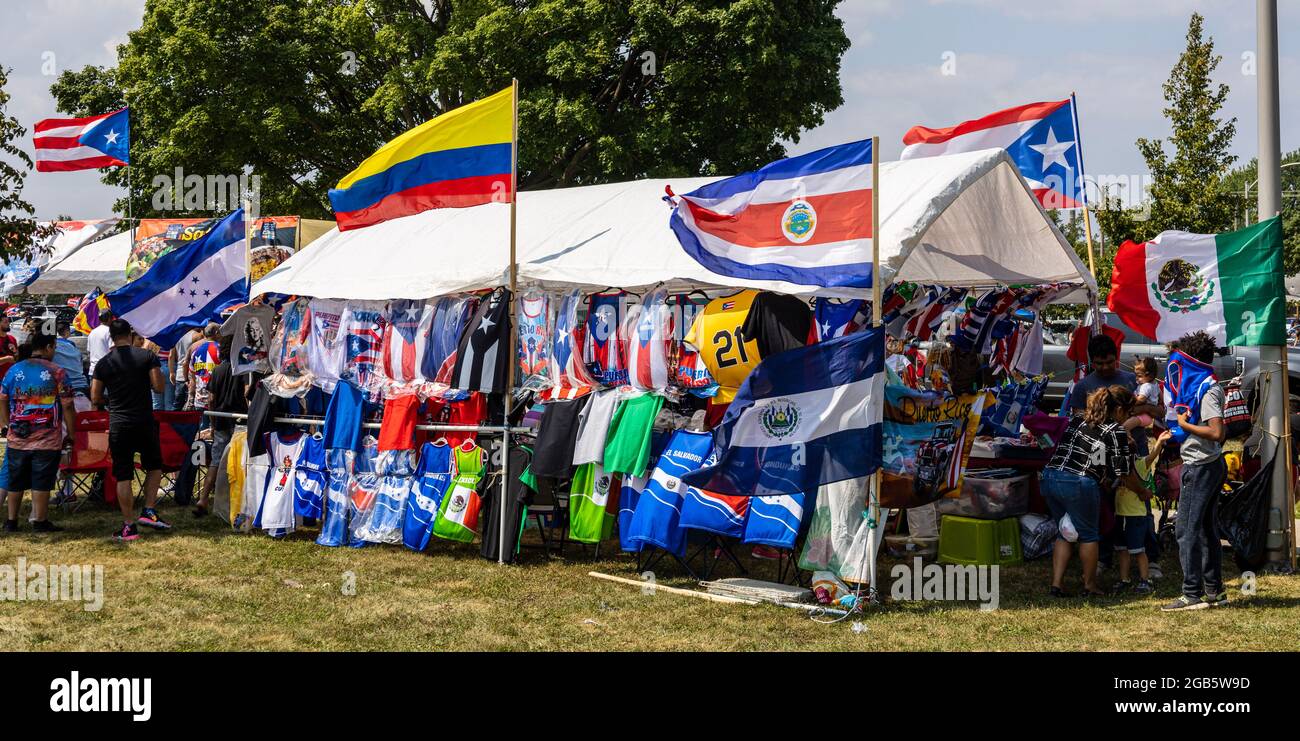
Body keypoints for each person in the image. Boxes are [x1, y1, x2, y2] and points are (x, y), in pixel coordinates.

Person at [1041, 385, 1144, 597]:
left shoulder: (1078, 420)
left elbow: (1094, 456)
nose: (1128, 418)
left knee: (1065, 532)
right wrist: (1142, 492)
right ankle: (1089, 586)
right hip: (1079, 482)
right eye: (1128, 413)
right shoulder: (1115, 430)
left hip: (1050, 477)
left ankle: (1056, 585)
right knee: (1088, 535)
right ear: (1118, 411)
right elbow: (1124, 472)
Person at [1162, 330, 1228, 612]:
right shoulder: (1201, 386)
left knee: (1185, 530)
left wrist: (1185, 425)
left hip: (1201, 467)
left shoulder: (1208, 389)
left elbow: (1216, 431)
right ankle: (1215, 590)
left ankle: (1192, 594)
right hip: (1207, 465)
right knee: (1204, 530)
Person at [90, 319, 172, 541]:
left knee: (123, 474)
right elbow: (159, 386)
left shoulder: (104, 363)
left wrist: (113, 398)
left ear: (112, 337)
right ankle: (149, 510)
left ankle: (128, 525)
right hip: (144, 420)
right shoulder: (146, 356)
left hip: (119, 422)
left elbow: (95, 397)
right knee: (154, 465)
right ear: (130, 333)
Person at [1, 333, 76, 533]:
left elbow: (2, 397)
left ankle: (11, 521)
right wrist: (72, 432)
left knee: (15, 481)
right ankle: (40, 521)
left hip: (17, 437)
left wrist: (7, 423)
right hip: (47, 438)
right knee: (41, 479)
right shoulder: (57, 372)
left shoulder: (14, 370)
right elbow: (68, 406)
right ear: (49, 347)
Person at [1113, 428, 1170, 595]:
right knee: (1122, 549)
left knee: (1138, 550)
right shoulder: (1117, 466)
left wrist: (1159, 441)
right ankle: (1124, 579)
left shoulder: (1139, 464)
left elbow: (1152, 455)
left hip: (1136, 516)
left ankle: (1145, 580)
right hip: (1121, 514)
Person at [193, 335, 245, 517]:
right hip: (240, 422)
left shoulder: (217, 370)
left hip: (220, 420)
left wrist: (213, 424)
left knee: (215, 462)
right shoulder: (243, 370)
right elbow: (246, 395)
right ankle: (234, 501)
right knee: (240, 462)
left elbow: (211, 400)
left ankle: (204, 498)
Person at [52, 321, 91, 408]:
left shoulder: (51, 348)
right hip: (81, 386)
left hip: (63, 390)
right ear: (66, 331)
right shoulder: (71, 346)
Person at [186, 324, 220, 413]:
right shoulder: (220, 349)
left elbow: (192, 378)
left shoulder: (196, 350)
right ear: (217, 333)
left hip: (200, 400)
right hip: (217, 399)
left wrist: (191, 398)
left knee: (202, 426)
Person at [171, 329, 198, 410]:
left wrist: (171, 372)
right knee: (191, 406)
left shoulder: (176, 336)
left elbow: (171, 356)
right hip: (191, 375)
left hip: (179, 374)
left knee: (177, 405)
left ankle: (173, 422)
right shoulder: (196, 336)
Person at [86, 308, 114, 380]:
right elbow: (113, 351)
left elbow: (89, 352)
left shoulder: (92, 332)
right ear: (109, 319)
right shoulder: (109, 331)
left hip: (93, 371)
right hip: (106, 371)